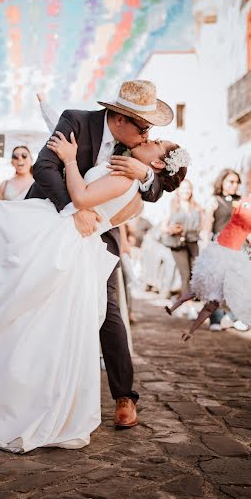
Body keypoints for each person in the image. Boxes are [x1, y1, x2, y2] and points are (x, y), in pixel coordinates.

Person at [0, 129, 187, 453]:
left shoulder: (127, 179)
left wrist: (68, 159)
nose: (149, 139)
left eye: (156, 143)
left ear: (160, 163)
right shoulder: (131, 179)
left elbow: (80, 198)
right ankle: (18, 396)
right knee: (34, 326)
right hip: (69, 238)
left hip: (62, 232)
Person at [28, 80, 183, 428]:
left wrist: (145, 174)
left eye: (151, 132)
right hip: (49, 224)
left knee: (109, 310)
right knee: (36, 303)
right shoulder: (76, 121)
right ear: (120, 119)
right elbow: (43, 168)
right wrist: (74, 210)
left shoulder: (140, 154)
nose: (147, 136)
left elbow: (157, 188)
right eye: (144, 127)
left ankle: (124, 396)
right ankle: (32, 386)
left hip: (98, 237)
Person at [166, 196, 251, 340]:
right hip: (223, 250)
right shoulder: (244, 203)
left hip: (232, 253)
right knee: (202, 288)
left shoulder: (243, 203)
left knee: (212, 299)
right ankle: (177, 305)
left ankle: (190, 330)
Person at [203, 169, 243, 331]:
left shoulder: (242, 201)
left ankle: (234, 317)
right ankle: (216, 319)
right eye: (230, 181)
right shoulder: (214, 200)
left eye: (236, 182)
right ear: (222, 182)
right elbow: (207, 226)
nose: (234, 185)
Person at [161, 180, 202, 319]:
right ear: (178, 190)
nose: (186, 191)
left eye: (189, 189)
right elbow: (163, 227)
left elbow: (202, 226)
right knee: (185, 274)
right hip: (177, 244)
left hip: (193, 242)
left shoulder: (196, 206)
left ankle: (178, 299)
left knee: (194, 275)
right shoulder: (172, 206)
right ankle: (190, 308)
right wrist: (171, 229)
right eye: (184, 188)